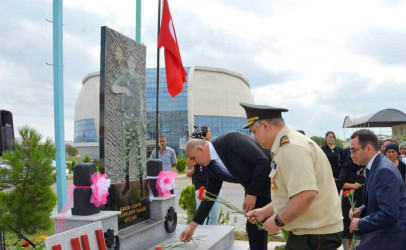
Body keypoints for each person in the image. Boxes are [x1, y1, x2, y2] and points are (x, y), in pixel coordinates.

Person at [242, 103, 343, 250]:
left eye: (254, 131)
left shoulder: (292, 148)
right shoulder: (285, 147)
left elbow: (306, 194)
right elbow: (293, 195)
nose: (254, 138)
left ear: (265, 125)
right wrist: (265, 212)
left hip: (316, 234)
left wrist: (277, 221)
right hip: (309, 232)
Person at [180, 132, 271, 249]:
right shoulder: (211, 167)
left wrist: (252, 194)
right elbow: (210, 196)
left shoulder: (230, 140)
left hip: (275, 181)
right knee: (254, 227)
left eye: (193, 158)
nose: (194, 162)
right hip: (256, 189)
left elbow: (262, 161)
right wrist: (192, 227)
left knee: (290, 223)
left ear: (200, 149)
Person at [349, 129, 406, 250]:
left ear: (368, 148)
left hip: (387, 239)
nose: (352, 155)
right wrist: (361, 210)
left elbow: (389, 214)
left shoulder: (383, 170)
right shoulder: (376, 166)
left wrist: (360, 223)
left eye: (354, 150)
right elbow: (379, 200)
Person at [186, 125, 222, 225]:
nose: (211, 133)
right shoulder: (196, 151)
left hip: (215, 186)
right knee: (200, 214)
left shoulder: (212, 147)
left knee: (214, 216)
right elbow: (189, 168)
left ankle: (212, 236)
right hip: (200, 186)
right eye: (210, 131)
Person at [336, 147, 366, 249]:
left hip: (363, 199)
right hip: (349, 199)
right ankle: (347, 248)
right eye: (353, 156)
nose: (355, 158)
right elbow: (340, 183)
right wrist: (353, 185)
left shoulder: (365, 166)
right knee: (348, 226)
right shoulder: (346, 167)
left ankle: (358, 247)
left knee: (360, 226)